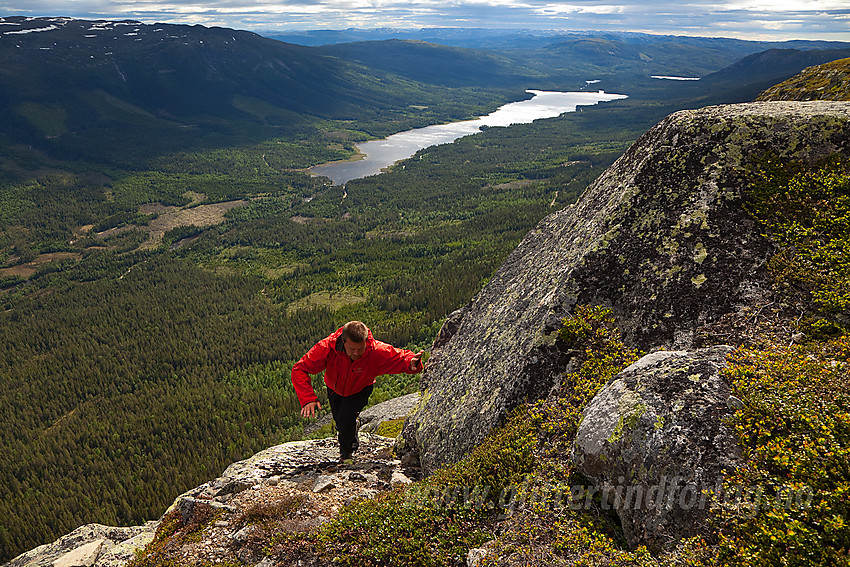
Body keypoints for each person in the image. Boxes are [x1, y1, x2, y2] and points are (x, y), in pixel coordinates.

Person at [292, 321, 424, 463]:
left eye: (360, 349)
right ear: (343, 341)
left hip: (360, 390)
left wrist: (411, 363)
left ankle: (346, 454)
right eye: (352, 349)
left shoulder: (375, 351)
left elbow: (400, 357)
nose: (356, 353)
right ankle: (351, 430)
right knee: (341, 422)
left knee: (344, 421)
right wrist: (308, 398)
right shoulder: (327, 348)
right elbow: (299, 369)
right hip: (334, 390)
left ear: (366, 341)